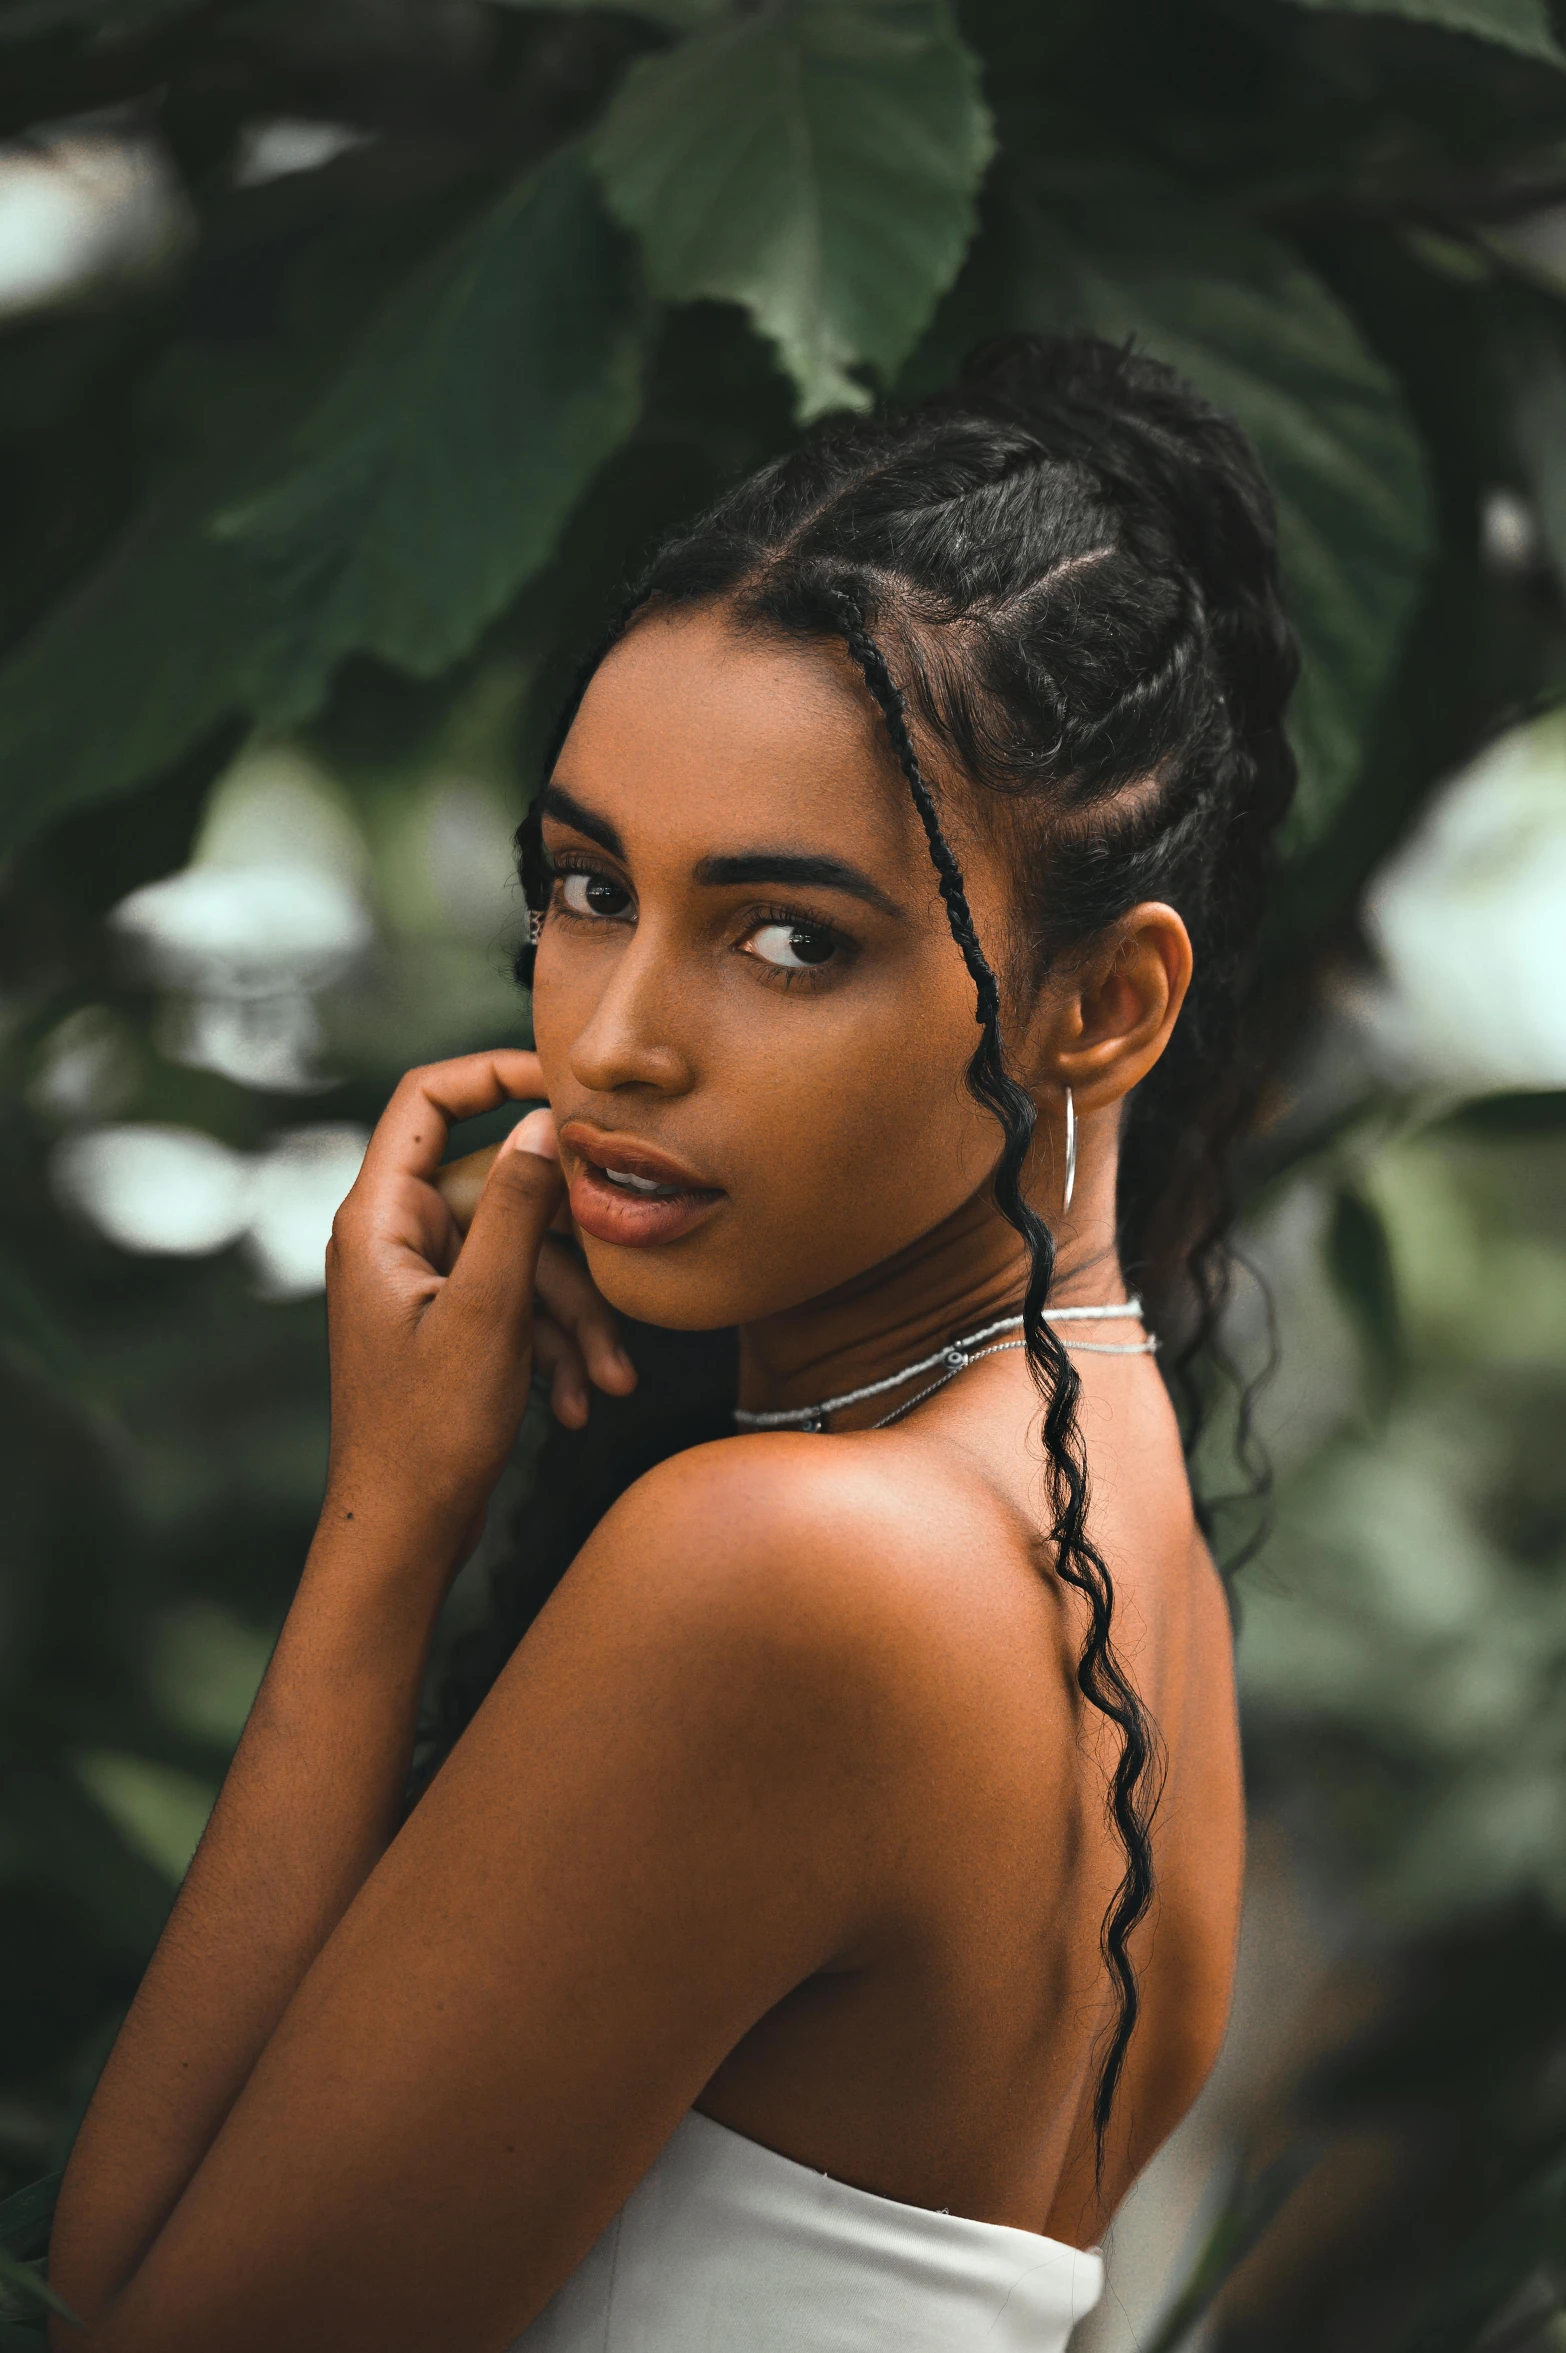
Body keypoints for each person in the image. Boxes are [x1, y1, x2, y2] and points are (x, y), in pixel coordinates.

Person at [46, 332, 1293, 2352]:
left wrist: (389, 1518)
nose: (613, 1035)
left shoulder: (797, 1578)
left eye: (789, 935)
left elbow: (134, 2313)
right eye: (586, 885)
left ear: (1102, 1008)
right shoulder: (1129, 1541)